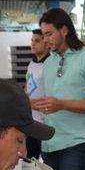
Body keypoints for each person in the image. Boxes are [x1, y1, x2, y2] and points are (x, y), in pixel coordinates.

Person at [37, 8, 85, 170]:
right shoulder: (48, 63)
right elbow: (51, 103)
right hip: (49, 144)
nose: (45, 40)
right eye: (43, 35)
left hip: (76, 143)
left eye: (49, 34)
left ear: (64, 30)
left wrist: (61, 104)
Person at [24, 28, 49, 159]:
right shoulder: (32, 63)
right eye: (32, 40)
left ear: (46, 42)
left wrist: (32, 103)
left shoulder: (50, 64)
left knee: (46, 161)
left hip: (45, 122)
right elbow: (28, 87)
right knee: (29, 161)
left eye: (37, 40)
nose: (33, 44)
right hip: (31, 121)